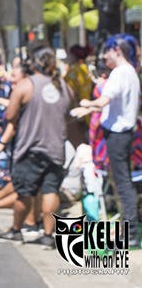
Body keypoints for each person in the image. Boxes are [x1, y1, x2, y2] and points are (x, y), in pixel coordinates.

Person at [0, 45, 74, 249]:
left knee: (24, 193)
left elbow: (10, 116)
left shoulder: (26, 85)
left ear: (33, 63)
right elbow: (69, 115)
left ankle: (16, 230)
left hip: (30, 149)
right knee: (50, 192)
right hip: (56, 149)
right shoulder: (64, 87)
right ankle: (48, 235)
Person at [71, 33, 140, 247]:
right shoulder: (131, 72)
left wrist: (85, 105)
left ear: (116, 51)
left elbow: (103, 101)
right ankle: (128, 229)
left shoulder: (120, 73)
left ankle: (130, 233)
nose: (105, 56)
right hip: (123, 134)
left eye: (108, 51)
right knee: (122, 182)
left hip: (118, 136)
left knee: (122, 184)